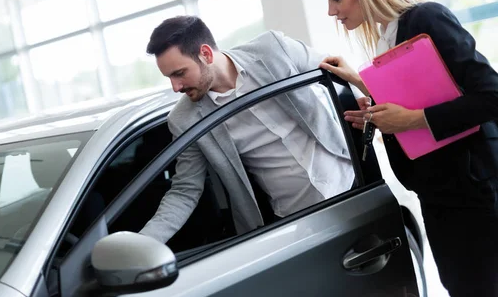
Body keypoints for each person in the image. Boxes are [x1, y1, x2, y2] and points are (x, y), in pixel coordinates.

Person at [315, 0, 498, 297]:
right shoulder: (388, 36)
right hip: (440, 196)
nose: (331, 11)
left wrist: (411, 119)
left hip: (474, 193)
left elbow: (491, 95)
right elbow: (432, 94)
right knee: (463, 291)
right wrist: (372, 98)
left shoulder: (425, 18)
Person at [139, 16, 355, 243]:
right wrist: (143, 245)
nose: (175, 87)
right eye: (169, 77)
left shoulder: (273, 49)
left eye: (179, 73)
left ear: (206, 54)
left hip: (351, 182)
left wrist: (369, 104)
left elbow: (338, 74)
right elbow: (185, 190)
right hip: (292, 223)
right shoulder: (184, 119)